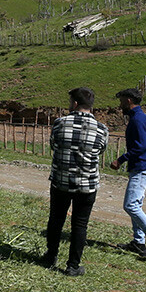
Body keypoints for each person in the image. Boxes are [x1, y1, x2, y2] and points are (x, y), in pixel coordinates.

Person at [43, 87, 109, 277]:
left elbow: (53, 145)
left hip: (61, 181)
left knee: (56, 219)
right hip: (87, 184)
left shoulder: (60, 123)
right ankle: (73, 265)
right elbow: (101, 150)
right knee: (80, 224)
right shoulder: (102, 129)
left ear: (75, 103)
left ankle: (51, 256)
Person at [110, 88, 146, 259]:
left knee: (130, 205)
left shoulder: (137, 120)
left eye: (121, 101)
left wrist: (121, 159)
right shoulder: (141, 117)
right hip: (142, 166)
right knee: (135, 205)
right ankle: (138, 241)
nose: (120, 104)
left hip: (141, 167)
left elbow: (141, 146)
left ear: (129, 100)